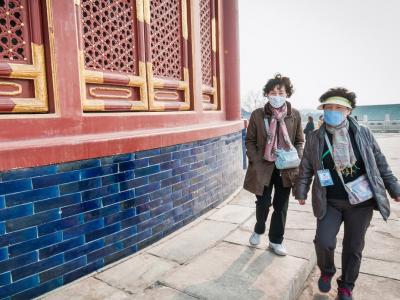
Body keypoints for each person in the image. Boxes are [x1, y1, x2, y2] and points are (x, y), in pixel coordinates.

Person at [294, 87, 400, 300]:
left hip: (362, 202)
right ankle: (327, 270)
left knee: (353, 247)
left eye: (338, 108)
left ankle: (346, 286)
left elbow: (380, 164)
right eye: (328, 107)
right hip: (329, 200)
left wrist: (394, 187)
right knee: (324, 241)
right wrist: (301, 190)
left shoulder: (363, 133)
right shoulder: (315, 137)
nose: (333, 111)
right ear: (323, 110)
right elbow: (306, 166)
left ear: (348, 111)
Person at [244, 73, 304, 256]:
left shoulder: (295, 115)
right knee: (263, 203)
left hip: (286, 168)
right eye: (273, 91)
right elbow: (250, 140)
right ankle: (259, 228)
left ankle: (276, 241)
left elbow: (300, 140)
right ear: (267, 94)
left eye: (280, 91)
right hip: (264, 167)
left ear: (287, 94)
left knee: (281, 206)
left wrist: (296, 156)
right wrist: (255, 160)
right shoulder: (257, 115)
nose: (276, 95)